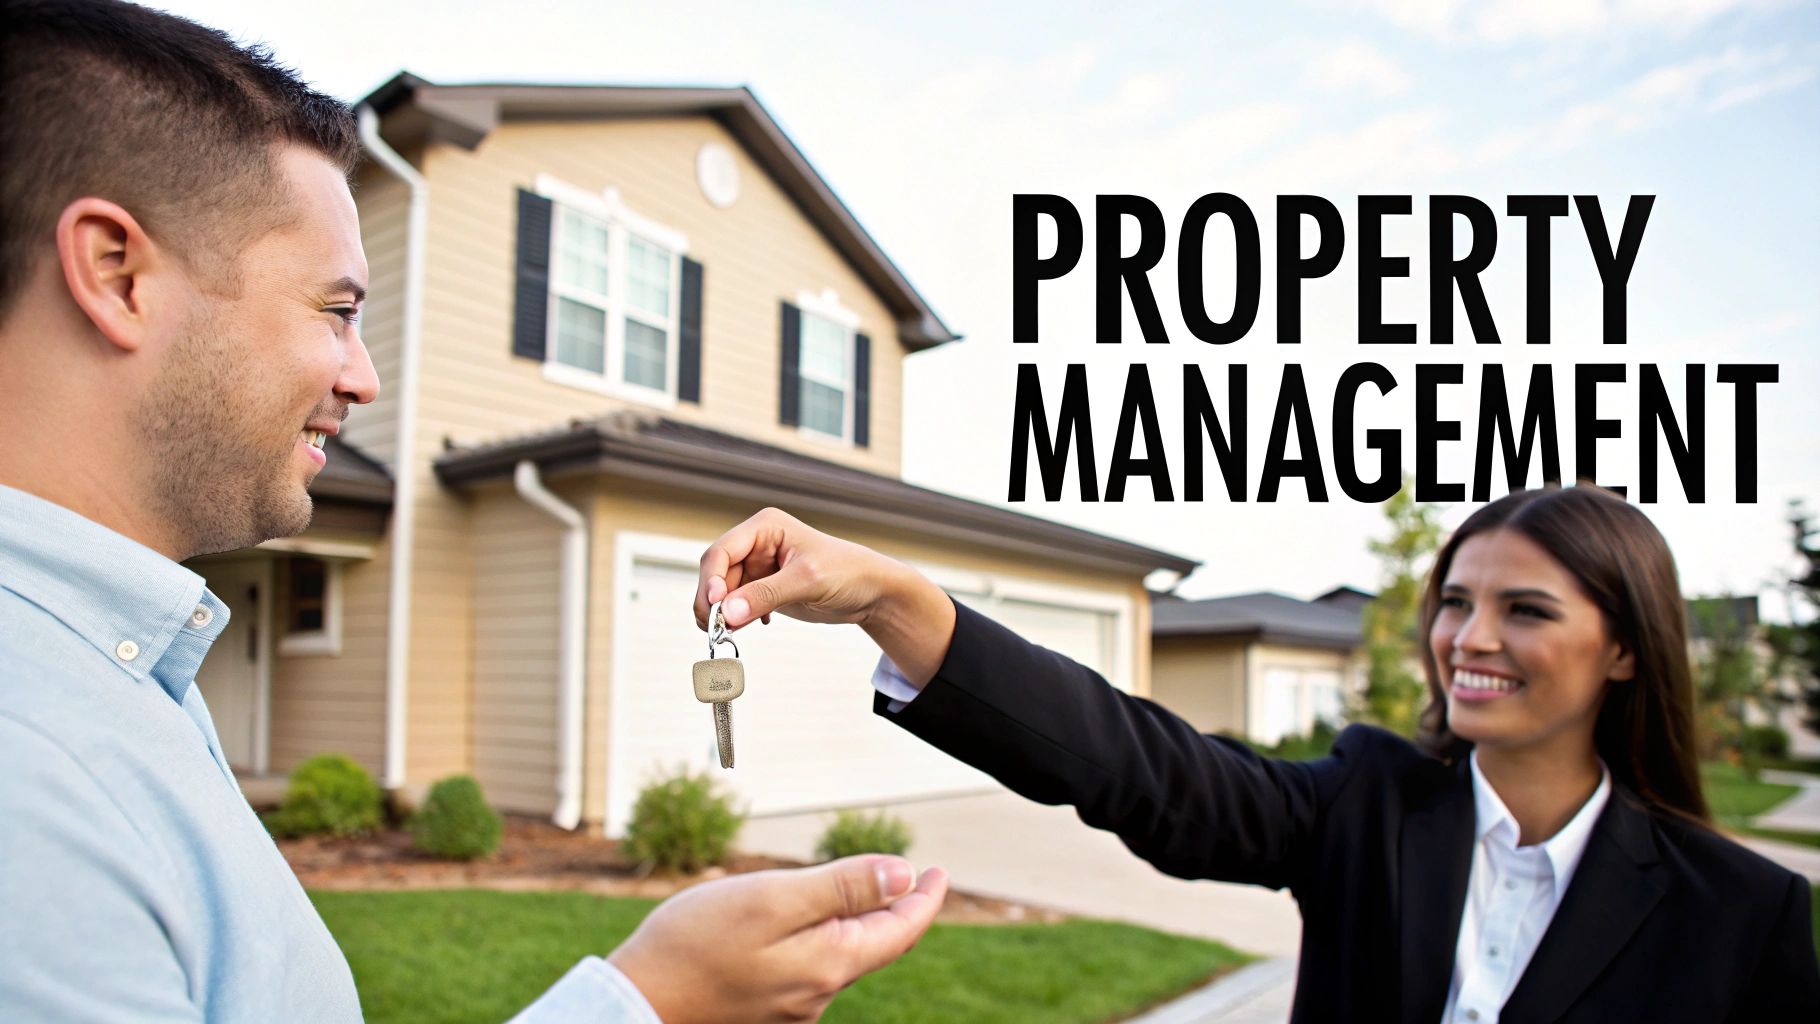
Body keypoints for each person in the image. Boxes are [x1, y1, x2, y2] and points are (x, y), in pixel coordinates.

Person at [0, 2, 946, 1021]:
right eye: (336, 310)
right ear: (118, 274)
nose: (363, 379)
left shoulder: (119, 676)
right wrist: (654, 1001)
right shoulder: (33, 770)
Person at [694, 490, 1820, 1022]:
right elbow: (1142, 764)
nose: (1468, 639)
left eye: (1523, 609)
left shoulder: (1742, 913)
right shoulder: (1368, 805)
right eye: (1455, 601)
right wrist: (892, 598)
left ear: (1624, 647)